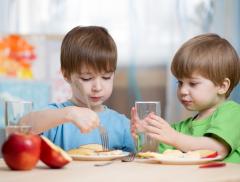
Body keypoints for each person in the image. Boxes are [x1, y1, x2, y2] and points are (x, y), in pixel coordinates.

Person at [22, 26, 135, 152]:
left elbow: (144, 157)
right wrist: (68, 114)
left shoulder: (122, 125)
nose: (97, 87)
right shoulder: (57, 116)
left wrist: (148, 135)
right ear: (66, 75)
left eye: (106, 77)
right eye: (87, 78)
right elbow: (21, 127)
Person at [131, 33, 240, 163]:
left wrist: (174, 138)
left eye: (193, 83)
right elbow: (155, 156)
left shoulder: (232, 112)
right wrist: (146, 135)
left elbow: (217, 149)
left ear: (222, 86)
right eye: (180, 83)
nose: (182, 90)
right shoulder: (180, 128)